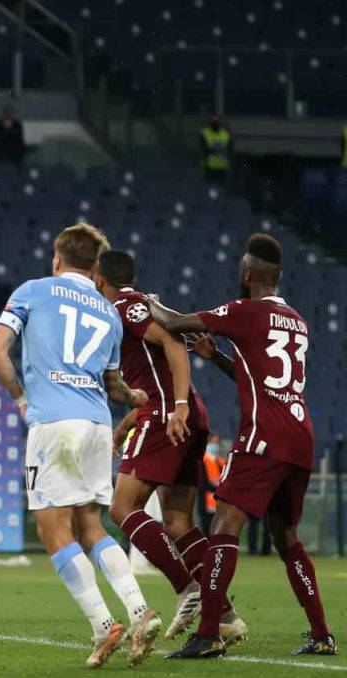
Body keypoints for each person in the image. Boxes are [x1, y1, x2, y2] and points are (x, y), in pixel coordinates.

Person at [148, 233, 336, 658]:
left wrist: (146, 300)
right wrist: (215, 357)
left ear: (248, 274)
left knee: (223, 527)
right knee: (285, 537)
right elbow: (260, 376)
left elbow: (174, 323)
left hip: (263, 439)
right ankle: (322, 634)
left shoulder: (243, 311)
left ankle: (209, 633)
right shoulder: (297, 320)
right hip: (300, 437)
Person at [0, 223, 159, 668]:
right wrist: (134, 397)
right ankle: (140, 611)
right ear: (96, 266)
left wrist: (22, 400)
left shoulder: (33, 291)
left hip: (54, 423)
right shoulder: (108, 311)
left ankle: (104, 624)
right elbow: (114, 383)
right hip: (98, 423)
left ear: (57, 259)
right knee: (90, 525)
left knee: (53, 531)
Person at [94, 250, 246, 644]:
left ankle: (187, 588)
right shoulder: (141, 304)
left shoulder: (127, 306)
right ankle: (224, 615)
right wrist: (123, 427)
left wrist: (176, 407)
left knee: (121, 507)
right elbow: (148, 382)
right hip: (186, 415)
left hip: (169, 416)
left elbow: (174, 343)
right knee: (178, 521)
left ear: (99, 279)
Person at [197, 433, 226, 535]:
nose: (216, 445)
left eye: (217, 442)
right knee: (207, 529)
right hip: (206, 501)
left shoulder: (220, 461)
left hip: (218, 501)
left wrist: (217, 484)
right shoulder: (202, 460)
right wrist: (216, 484)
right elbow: (202, 483)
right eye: (214, 442)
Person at [199, 115, 230, 183]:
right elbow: (205, 150)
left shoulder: (226, 134)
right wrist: (221, 149)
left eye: (217, 121)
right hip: (209, 168)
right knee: (210, 189)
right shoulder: (204, 133)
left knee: (220, 190)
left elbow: (229, 150)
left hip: (222, 168)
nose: (215, 123)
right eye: (213, 121)